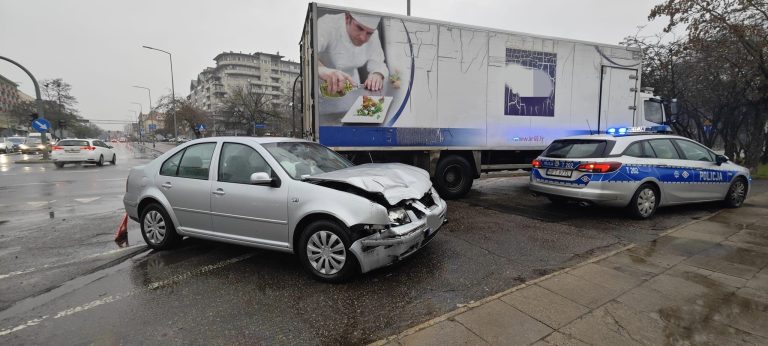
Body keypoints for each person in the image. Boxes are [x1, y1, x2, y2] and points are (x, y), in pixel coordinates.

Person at [317, 12, 389, 94]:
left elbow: (378, 63)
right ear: (347, 18)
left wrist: (377, 74)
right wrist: (322, 69)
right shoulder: (327, 24)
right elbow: (309, 54)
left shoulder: (373, 34)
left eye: (369, 33)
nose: (363, 38)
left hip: (352, 84)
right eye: (359, 28)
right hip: (322, 85)